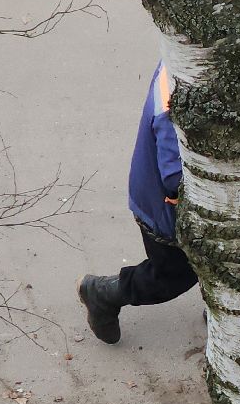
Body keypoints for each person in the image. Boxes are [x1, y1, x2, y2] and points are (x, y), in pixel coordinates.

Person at [77, 62, 195, 345]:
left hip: (151, 190)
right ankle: (103, 294)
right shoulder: (177, 94)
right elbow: (174, 177)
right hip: (162, 208)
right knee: (172, 276)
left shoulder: (181, 60)